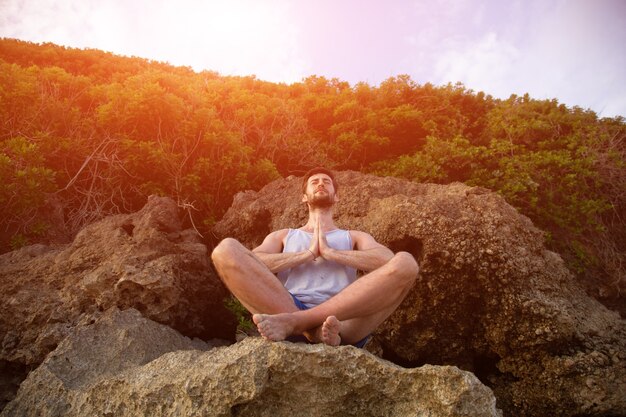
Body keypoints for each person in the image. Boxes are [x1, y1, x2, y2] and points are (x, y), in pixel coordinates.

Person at [211, 167, 419, 347]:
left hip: (342, 321)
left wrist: (331, 253)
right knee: (224, 251)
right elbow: (253, 263)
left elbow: (387, 260)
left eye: (326, 182)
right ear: (304, 197)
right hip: (287, 308)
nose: (321, 184)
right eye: (315, 182)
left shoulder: (354, 236)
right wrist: (306, 254)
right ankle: (311, 330)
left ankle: (301, 324)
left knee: (407, 263)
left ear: (336, 197)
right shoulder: (283, 236)